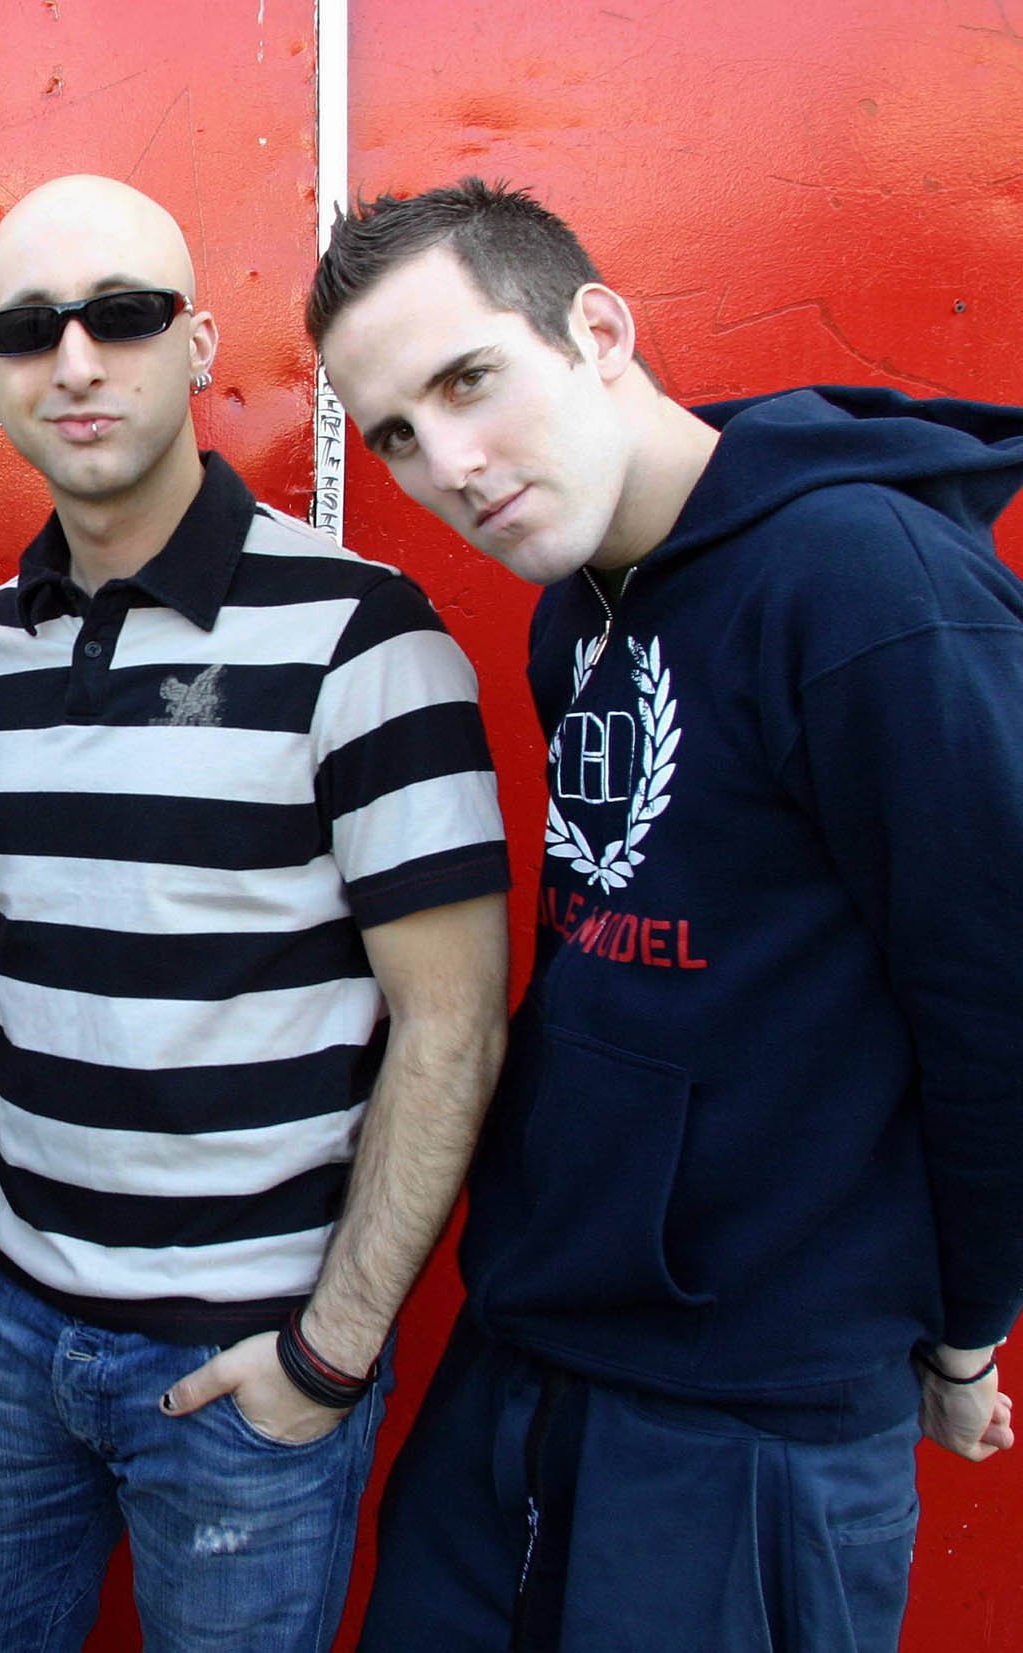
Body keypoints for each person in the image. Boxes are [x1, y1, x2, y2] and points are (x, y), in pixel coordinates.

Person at [310, 178, 1023, 1649]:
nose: (448, 463)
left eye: (467, 380)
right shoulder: (575, 603)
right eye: (396, 434)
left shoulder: (865, 585)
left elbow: (997, 1006)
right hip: (533, 1352)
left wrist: (966, 1330)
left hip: (753, 1406)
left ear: (599, 331)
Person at [0, 174, 513, 1653]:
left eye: (121, 315)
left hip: (253, 1363)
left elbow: (454, 1026)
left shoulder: (364, 636)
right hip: (12, 1336)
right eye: (25, 329)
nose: (74, 361)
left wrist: (329, 1353)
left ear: (199, 345)